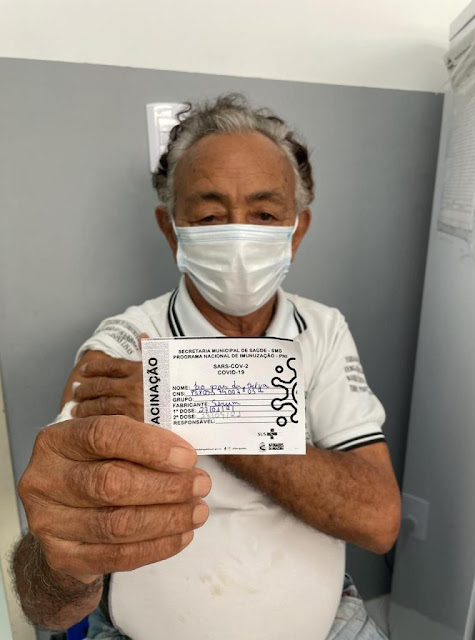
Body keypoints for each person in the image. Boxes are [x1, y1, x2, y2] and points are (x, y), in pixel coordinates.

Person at [13, 94, 401, 639]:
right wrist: (61, 564)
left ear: (297, 229)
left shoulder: (322, 329)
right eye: (211, 215)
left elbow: (378, 519)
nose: (240, 236)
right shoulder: (124, 344)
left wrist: (182, 398)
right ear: (172, 229)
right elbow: (49, 599)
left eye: (264, 214)